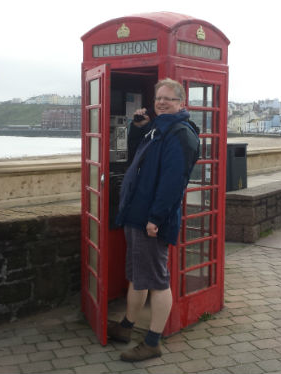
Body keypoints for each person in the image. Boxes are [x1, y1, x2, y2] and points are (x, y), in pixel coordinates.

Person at [110, 78, 200, 362]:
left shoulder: (180, 134)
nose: (162, 102)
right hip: (136, 214)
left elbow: (174, 182)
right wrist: (138, 128)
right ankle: (126, 326)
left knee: (158, 281)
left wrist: (156, 218)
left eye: (169, 99)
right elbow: (136, 158)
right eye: (159, 97)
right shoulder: (157, 129)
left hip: (152, 219)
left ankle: (152, 342)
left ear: (181, 103)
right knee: (138, 276)